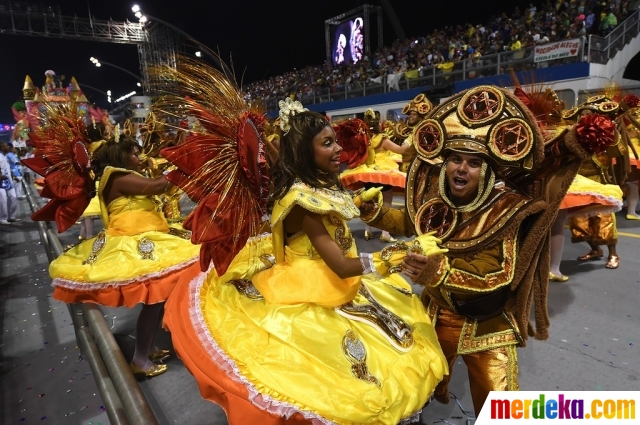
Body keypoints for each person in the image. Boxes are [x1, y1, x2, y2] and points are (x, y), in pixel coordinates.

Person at [161, 87, 448, 424]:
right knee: (347, 381)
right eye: (327, 143)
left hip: (337, 283)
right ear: (305, 152)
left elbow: (335, 221)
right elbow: (340, 266)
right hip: (315, 284)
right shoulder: (302, 202)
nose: (339, 148)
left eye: (334, 141)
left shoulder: (317, 184)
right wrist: (391, 258)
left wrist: (359, 205)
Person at [358, 85, 598, 415]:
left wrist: (436, 271)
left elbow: (497, 272)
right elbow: (413, 221)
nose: (461, 169)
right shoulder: (439, 196)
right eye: (455, 159)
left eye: (472, 163)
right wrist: (372, 212)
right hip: (434, 313)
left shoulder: (506, 210)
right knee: (412, 389)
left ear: (487, 170)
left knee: (499, 409)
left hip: (486, 325)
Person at [33, 125, 201, 379]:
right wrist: (181, 163)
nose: (140, 157)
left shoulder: (120, 175)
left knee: (157, 302)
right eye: (134, 153)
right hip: (133, 243)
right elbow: (157, 186)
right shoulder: (117, 177)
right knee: (154, 302)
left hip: (149, 239)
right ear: (120, 157)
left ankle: (149, 348)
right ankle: (140, 359)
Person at [562, 96, 628, 269]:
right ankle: (595, 249)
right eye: (582, 114)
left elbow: (617, 152)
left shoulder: (605, 133)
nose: (585, 117)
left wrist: (611, 133)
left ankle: (613, 254)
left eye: (589, 113)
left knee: (603, 218)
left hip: (598, 182)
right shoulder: (571, 133)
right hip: (577, 182)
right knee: (579, 221)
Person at [338, 108, 410, 242]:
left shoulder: (364, 140)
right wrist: (409, 141)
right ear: (378, 125)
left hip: (368, 174)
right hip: (384, 173)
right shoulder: (383, 140)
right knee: (386, 202)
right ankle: (385, 233)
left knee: (370, 202)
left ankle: (368, 231)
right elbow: (400, 150)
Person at [0, 142, 20, 224]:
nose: (7, 147)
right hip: (1, 182)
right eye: (5, 146)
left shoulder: (5, 156)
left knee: (13, 197)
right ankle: (3, 219)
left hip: (9, 181)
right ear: (1, 147)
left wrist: (14, 177)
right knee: (3, 200)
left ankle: (11, 216)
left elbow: (8, 169)